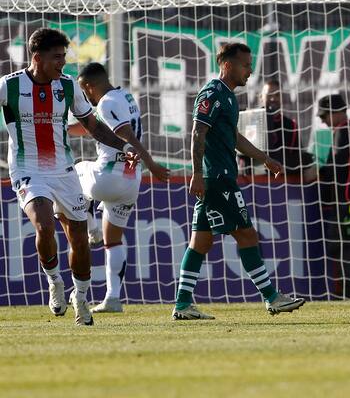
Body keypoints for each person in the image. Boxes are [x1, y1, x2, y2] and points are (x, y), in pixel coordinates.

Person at [0, 28, 138, 325]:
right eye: (57, 57)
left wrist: (123, 146)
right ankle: (55, 282)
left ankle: (82, 297)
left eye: (64, 56)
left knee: (78, 235)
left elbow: (92, 125)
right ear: (37, 57)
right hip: (28, 169)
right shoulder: (8, 86)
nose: (62, 63)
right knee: (44, 225)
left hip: (64, 170)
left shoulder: (67, 86)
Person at [172, 42, 305, 320]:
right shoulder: (212, 93)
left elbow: (234, 137)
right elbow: (198, 133)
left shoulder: (230, 97)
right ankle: (271, 297)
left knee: (200, 242)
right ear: (228, 65)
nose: (250, 70)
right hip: (217, 179)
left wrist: (264, 158)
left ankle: (183, 304)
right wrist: (197, 173)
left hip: (219, 177)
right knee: (246, 234)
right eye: (246, 65)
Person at [71, 62, 170, 313]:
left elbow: (126, 135)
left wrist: (151, 163)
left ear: (89, 86)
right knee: (113, 241)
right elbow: (95, 129)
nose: (86, 97)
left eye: (85, 92)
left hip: (108, 176)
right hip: (130, 181)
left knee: (73, 170)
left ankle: (91, 228)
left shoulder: (105, 102)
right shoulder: (125, 96)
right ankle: (113, 298)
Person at [317, 93, 350, 299]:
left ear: (337, 112)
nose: (323, 121)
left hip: (348, 202)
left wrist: (319, 172)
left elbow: (338, 164)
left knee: (344, 246)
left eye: (324, 116)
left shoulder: (345, 130)